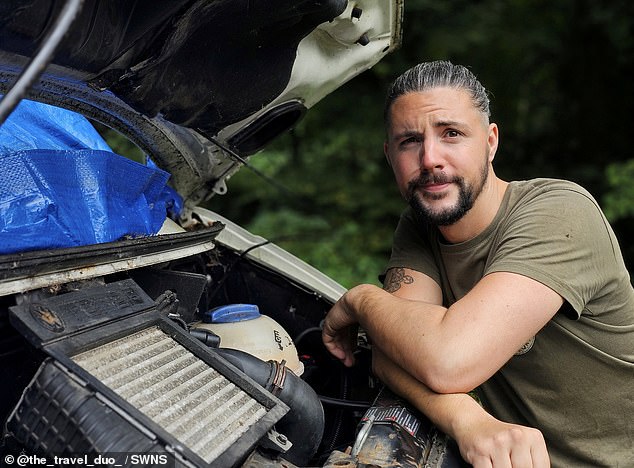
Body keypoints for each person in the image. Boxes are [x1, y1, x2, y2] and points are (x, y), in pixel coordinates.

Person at [322, 60, 634, 467]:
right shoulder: (420, 224)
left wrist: (361, 300)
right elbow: (393, 351)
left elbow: (447, 360)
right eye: (409, 141)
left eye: (451, 134)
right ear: (389, 155)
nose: (430, 158)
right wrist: (466, 420)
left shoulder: (559, 212)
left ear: (490, 141)